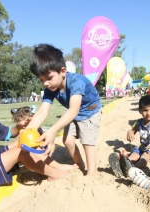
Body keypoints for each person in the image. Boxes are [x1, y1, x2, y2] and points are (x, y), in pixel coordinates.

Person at [26, 44, 102, 177]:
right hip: (74, 112)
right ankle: (80, 165)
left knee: (87, 142)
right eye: (41, 80)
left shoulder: (76, 82)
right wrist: (28, 130)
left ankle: (91, 173)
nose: (45, 83)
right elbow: (43, 111)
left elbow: (73, 109)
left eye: (49, 78)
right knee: (67, 141)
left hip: (90, 111)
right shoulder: (50, 89)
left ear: (63, 71)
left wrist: (53, 131)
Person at [108, 95, 150, 178]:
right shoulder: (139, 122)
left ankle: (132, 169)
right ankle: (125, 164)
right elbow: (133, 130)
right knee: (134, 155)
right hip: (143, 147)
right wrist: (130, 133)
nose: (149, 113)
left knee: (144, 157)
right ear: (140, 111)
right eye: (145, 110)